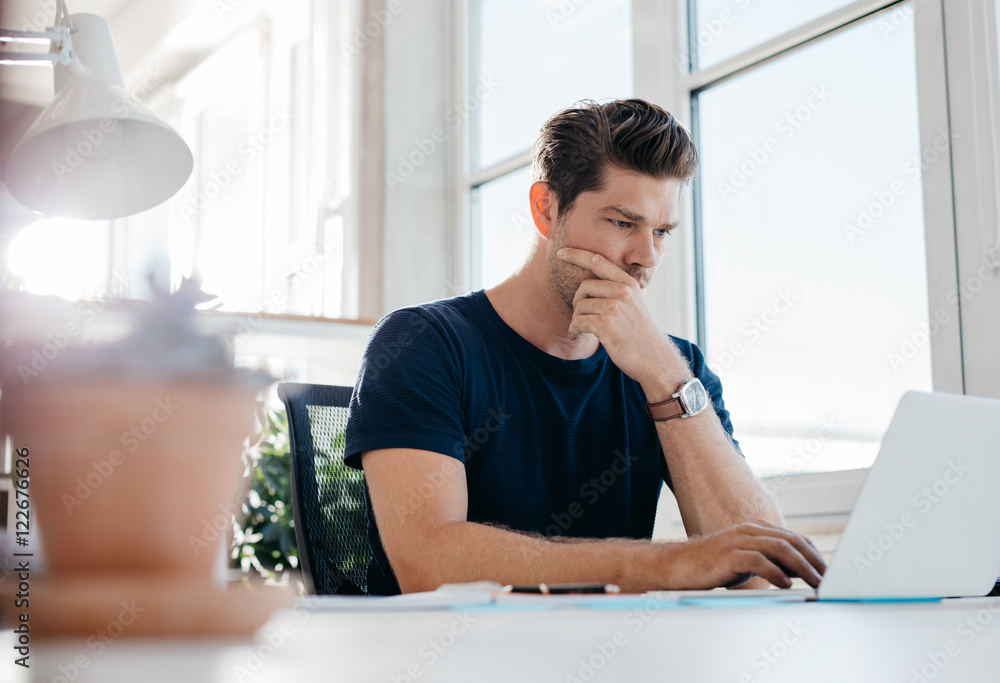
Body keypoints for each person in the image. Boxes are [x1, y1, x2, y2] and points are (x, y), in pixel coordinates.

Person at [344, 98, 826, 596]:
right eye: (622, 223)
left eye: (661, 231)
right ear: (546, 208)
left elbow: (763, 573)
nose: (645, 257)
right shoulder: (424, 343)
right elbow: (428, 564)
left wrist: (665, 375)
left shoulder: (675, 369)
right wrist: (660, 565)